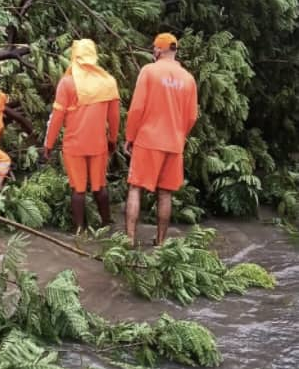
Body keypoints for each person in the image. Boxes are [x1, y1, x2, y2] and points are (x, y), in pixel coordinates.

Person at [124, 32, 198, 246]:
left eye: (153, 49)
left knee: (135, 187)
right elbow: (192, 116)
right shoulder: (188, 79)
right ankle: (161, 241)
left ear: (157, 50)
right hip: (174, 143)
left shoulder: (149, 71)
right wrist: (179, 134)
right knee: (165, 193)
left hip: (148, 139)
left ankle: (129, 239)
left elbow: (137, 108)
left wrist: (130, 136)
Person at [44, 39, 120, 231]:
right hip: (98, 144)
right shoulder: (108, 82)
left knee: (78, 189)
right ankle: (106, 224)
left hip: (74, 145)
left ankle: (80, 231)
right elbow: (114, 117)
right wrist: (112, 139)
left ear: (74, 56)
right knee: (99, 187)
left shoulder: (67, 83)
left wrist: (49, 144)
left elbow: (57, 117)